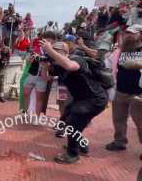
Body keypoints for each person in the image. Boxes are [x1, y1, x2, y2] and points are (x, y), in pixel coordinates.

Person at [41, 41, 107, 164]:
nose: (53, 54)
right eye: (53, 50)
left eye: (57, 51)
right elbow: (46, 78)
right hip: (81, 99)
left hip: (95, 99)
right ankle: (82, 146)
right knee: (66, 118)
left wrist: (50, 50)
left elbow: (70, 66)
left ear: (66, 53)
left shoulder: (77, 59)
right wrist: (44, 65)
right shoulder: (58, 65)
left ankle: (72, 154)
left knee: (73, 123)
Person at [105, 24, 142, 160]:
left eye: (133, 33)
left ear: (140, 34)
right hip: (120, 91)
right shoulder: (119, 51)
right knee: (118, 120)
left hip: (138, 94)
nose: (129, 36)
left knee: (140, 122)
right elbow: (108, 65)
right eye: (127, 33)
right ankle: (119, 142)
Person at [23, 31, 56, 116]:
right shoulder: (36, 48)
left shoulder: (53, 51)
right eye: (45, 40)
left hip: (43, 77)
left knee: (39, 98)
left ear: (53, 42)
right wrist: (31, 59)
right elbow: (29, 60)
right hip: (32, 73)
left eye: (49, 41)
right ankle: (25, 112)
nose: (47, 42)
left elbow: (50, 61)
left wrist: (42, 59)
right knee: (26, 93)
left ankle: (37, 117)